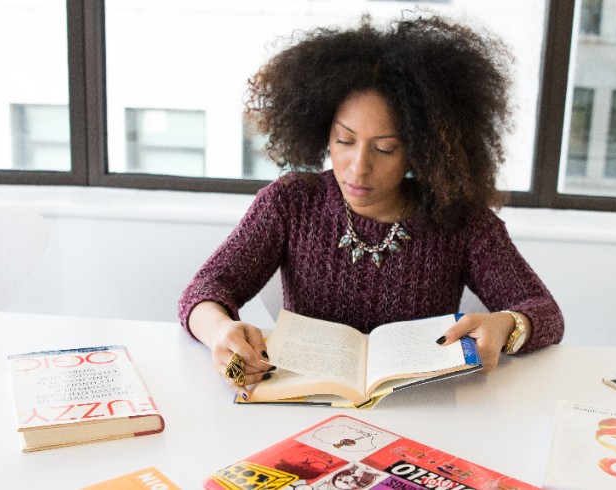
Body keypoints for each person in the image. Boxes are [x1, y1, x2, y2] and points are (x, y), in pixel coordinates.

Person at [178, 13, 564, 399]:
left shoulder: (460, 220)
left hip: (423, 410)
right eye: (345, 141)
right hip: (303, 405)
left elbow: (545, 313)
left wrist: (507, 325)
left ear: (420, 151)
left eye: (385, 148)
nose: (359, 166)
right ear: (322, 131)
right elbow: (205, 289)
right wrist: (218, 332)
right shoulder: (290, 202)